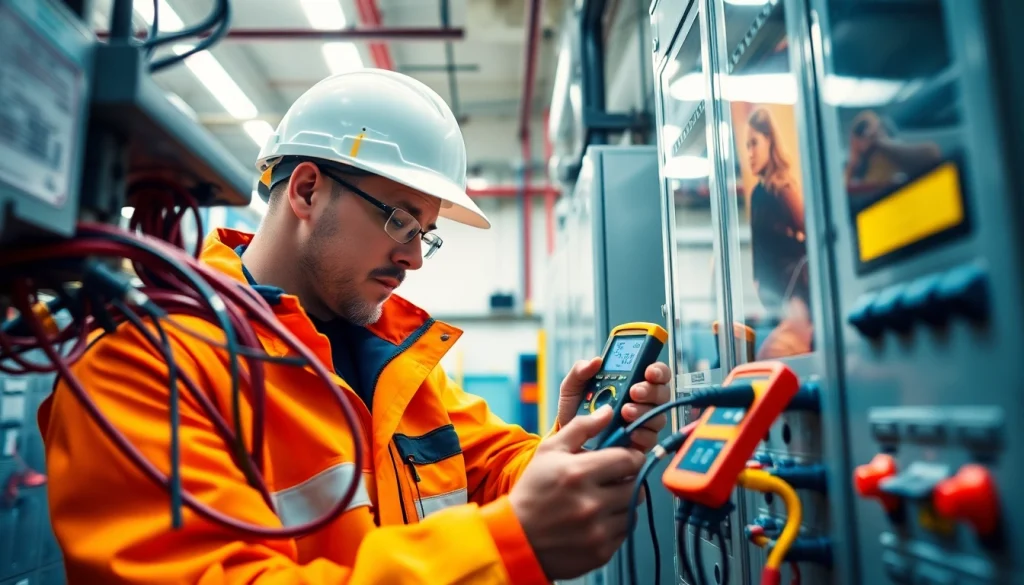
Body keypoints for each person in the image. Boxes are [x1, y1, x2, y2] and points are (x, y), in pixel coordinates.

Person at [37, 70, 672, 584]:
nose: (414, 256)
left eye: (426, 233)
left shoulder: (394, 360)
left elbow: (495, 469)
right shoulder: (144, 369)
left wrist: (573, 448)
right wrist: (503, 548)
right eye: (400, 220)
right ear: (308, 191)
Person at [743, 107, 812, 359]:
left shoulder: (782, 189)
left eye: (754, 144)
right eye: (746, 146)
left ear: (769, 141)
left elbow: (811, 234)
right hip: (775, 300)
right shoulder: (757, 193)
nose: (749, 153)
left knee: (772, 357)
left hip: (794, 299)